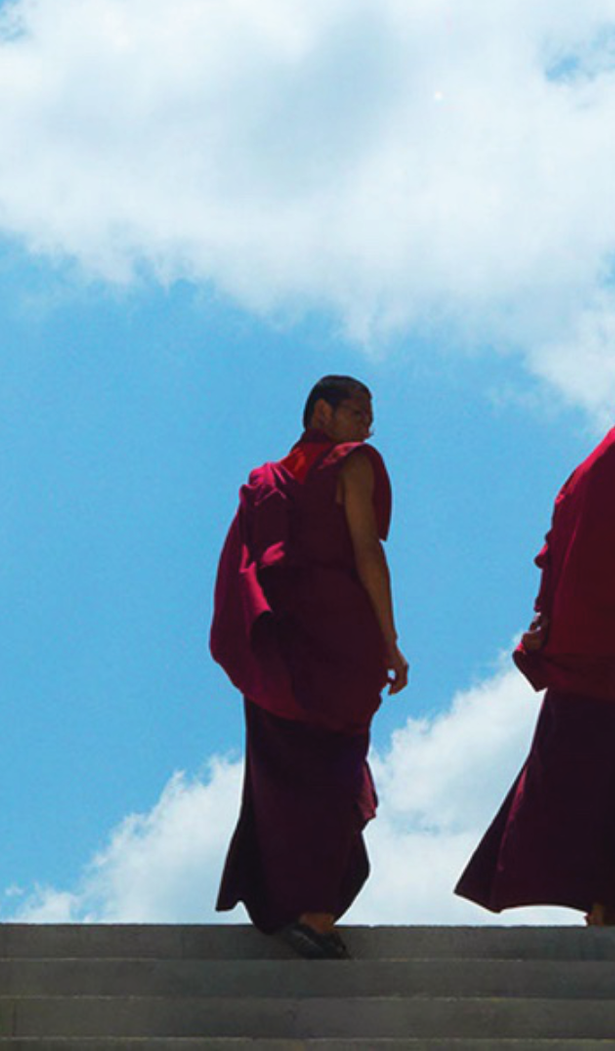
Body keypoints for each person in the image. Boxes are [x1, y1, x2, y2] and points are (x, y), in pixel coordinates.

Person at [455, 347, 615, 925]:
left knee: (606, 779)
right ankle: (605, 906)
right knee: (603, 781)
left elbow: (563, 546)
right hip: (612, 654)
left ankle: (605, 906)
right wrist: (562, 629)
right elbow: (584, 557)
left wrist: (550, 621)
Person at [210, 375, 409, 959]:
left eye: (371, 415)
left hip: (282, 646)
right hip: (337, 640)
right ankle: (316, 916)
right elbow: (368, 550)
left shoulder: (265, 482)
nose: (368, 426)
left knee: (285, 776)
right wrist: (390, 639)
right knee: (330, 777)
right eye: (356, 412)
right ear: (321, 412)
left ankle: (291, 906)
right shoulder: (352, 464)